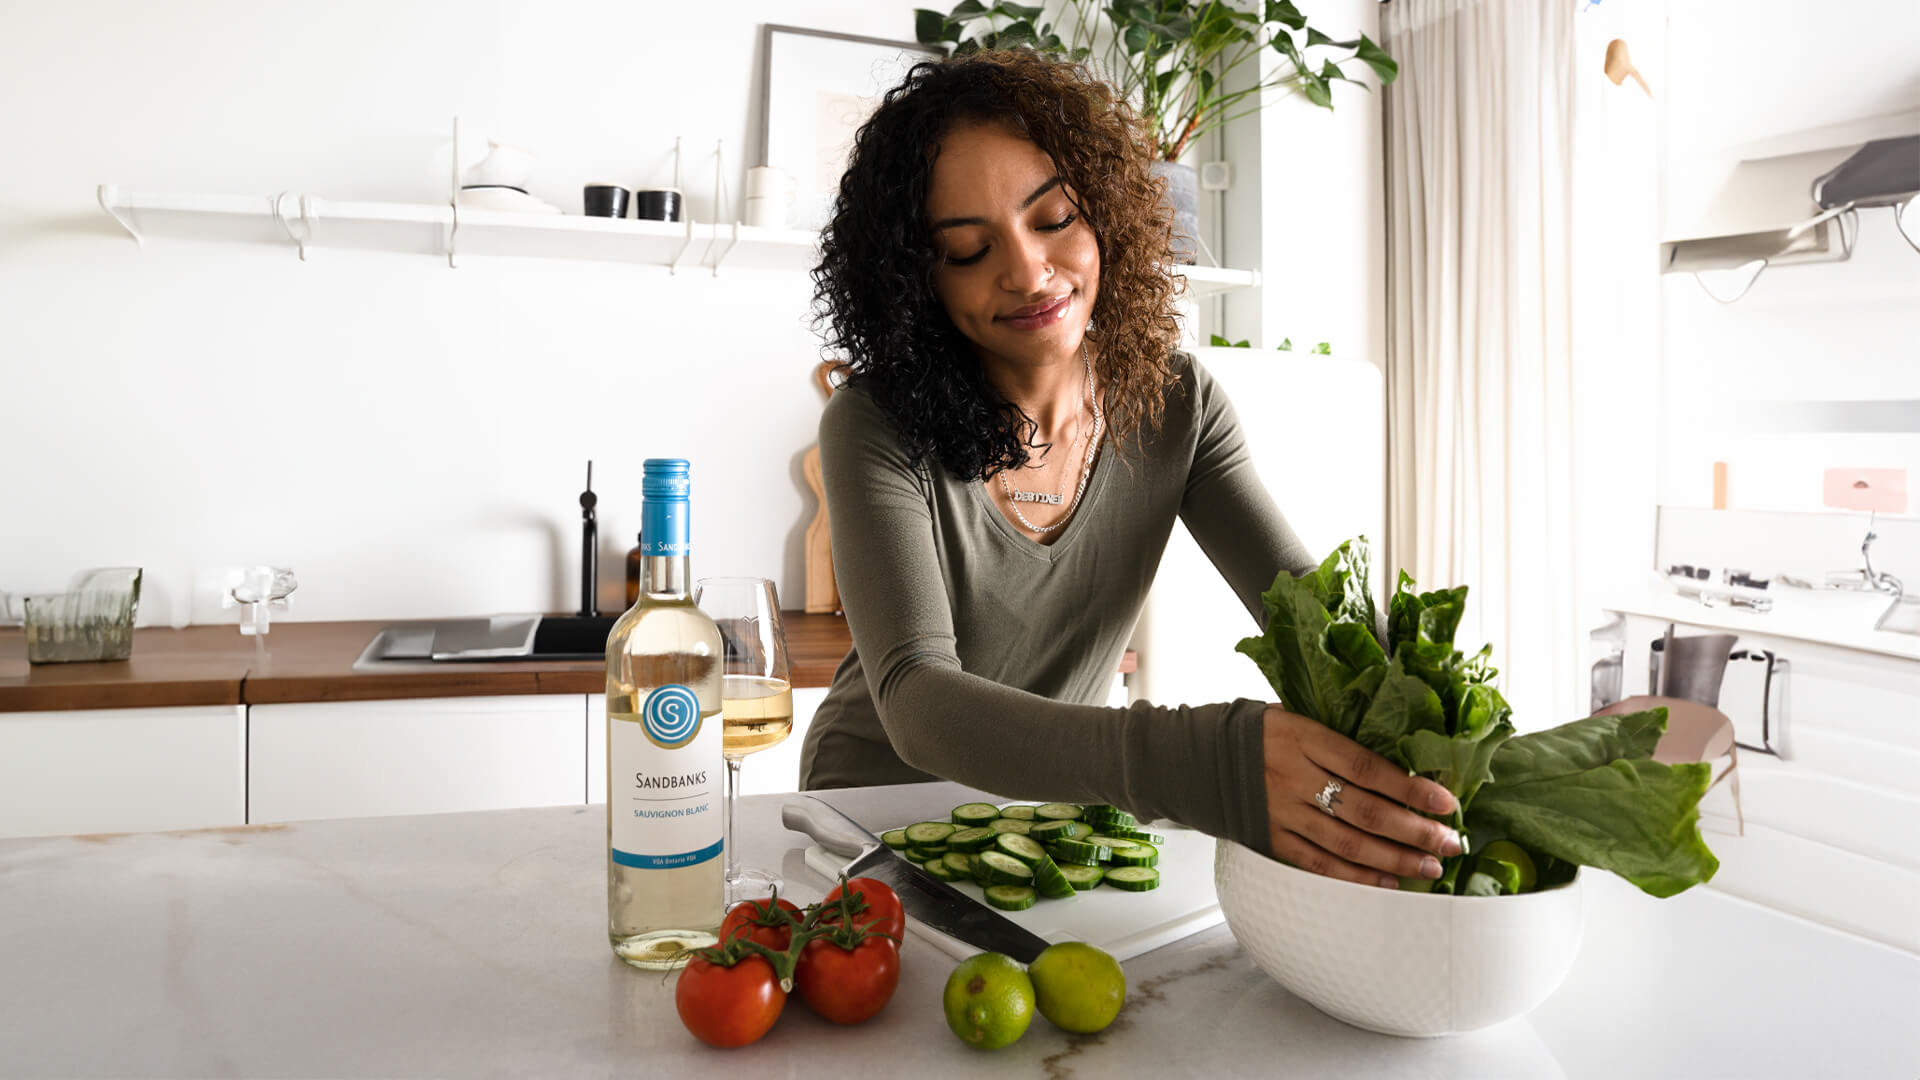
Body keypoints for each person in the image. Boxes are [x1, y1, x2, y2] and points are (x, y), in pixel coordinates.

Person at [799, 50, 1460, 888]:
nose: (1029, 271)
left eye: (1055, 219)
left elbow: (1312, 621)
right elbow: (918, 699)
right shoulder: (873, 424)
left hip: (1059, 825)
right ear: (916, 282)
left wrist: (1442, 717)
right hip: (878, 818)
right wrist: (1209, 763)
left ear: (1106, 212)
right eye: (968, 248)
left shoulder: (1176, 404)